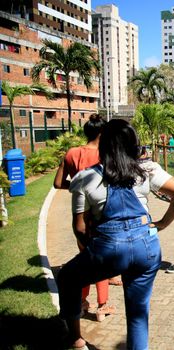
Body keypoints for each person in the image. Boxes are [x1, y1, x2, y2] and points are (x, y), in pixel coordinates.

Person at [57, 119, 174, 350]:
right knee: (138, 316)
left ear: (103, 145)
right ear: (133, 144)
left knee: (68, 277)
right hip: (147, 249)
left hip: (108, 249)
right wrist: (161, 225)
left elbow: (79, 227)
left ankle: (76, 340)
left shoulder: (85, 178)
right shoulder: (146, 170)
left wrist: (95, 249)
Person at [53, 114, 118, 322]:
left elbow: (57, 183)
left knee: (85, 259)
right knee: (101, 261)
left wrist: (76, 187)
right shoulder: (105, 154)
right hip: (102, 216)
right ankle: (102, 305)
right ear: (102, 133)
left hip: (80, 216)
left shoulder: (71, 153)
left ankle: (81, 302)